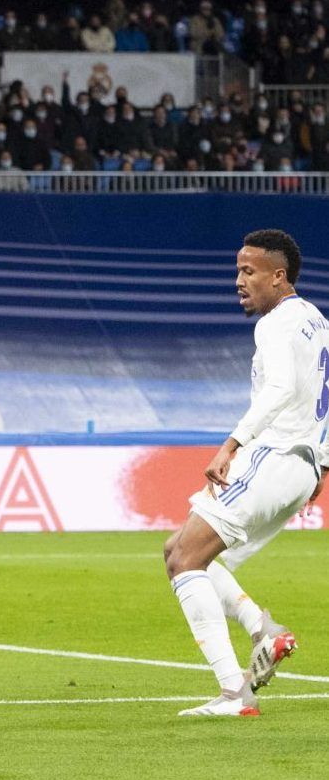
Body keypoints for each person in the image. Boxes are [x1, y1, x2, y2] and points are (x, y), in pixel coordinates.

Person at [161, 229, 325, 717]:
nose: (239, 281)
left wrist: (230, 445)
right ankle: (263, 630)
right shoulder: (317, 321)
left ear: (279, 276)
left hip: (271, 456)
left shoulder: (274, 325)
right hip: (299, 466)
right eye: (238, 270)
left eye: (248, 271)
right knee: (184, 550)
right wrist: (323, 463)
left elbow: (277, 390)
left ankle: (235, 692)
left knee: (184, 559)